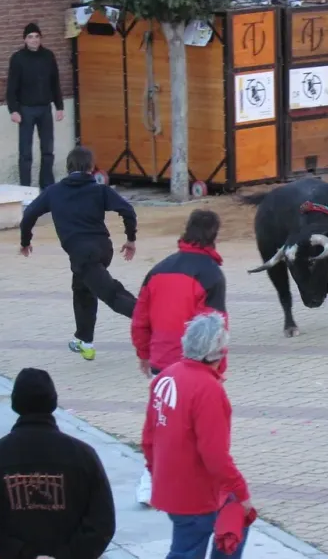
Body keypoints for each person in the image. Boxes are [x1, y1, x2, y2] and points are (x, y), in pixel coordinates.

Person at [131, 208, 229, 506]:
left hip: (163, 363)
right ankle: (202, 485)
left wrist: (144, 353)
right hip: (198, 367)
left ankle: (149, 484)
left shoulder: (158, 270)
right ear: (214, 235)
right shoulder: (212, 274)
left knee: (160, 425)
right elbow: (215, 326)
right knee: (203, 430)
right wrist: (218, 368)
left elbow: (140, 318)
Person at [142, 313, 253, 559]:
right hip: (195, 492)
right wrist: (241, 490)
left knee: (229, 527)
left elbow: (149, 438)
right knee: (187, 549)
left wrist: (155, 474)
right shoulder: (208, 389)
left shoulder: (166, 376)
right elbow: (214, 455)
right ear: (220, 353)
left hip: (171, 482)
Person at [19, 146, 138, 361]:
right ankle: (84, 341)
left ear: (68, 167)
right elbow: (127, 210)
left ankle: (156, 321)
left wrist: (25, 242)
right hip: (102, 249)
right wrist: (130, 239)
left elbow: (29, 214)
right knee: (82, 290)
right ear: (92, 168)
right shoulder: (100, 190)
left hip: (83, 254)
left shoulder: (54, 192)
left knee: (111, 294)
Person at [0, 368, 116, 559]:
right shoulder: (83, 455)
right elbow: (102, 521)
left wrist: (19, 552)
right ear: (53, 402)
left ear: (15, 403)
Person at [6, 23, 64, 190]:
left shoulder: (48, 56)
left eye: (37, 36)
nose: (34, 40)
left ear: (41, 38)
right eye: (30, 37)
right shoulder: (18, 58)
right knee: (25, 153)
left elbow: (55, 83)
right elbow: (11, 87)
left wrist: (59, 106)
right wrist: (14, 109)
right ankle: (25, 189)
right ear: (25, 39)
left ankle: (47, 187)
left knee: (48, 150)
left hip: (45, 108)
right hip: (25, 110)